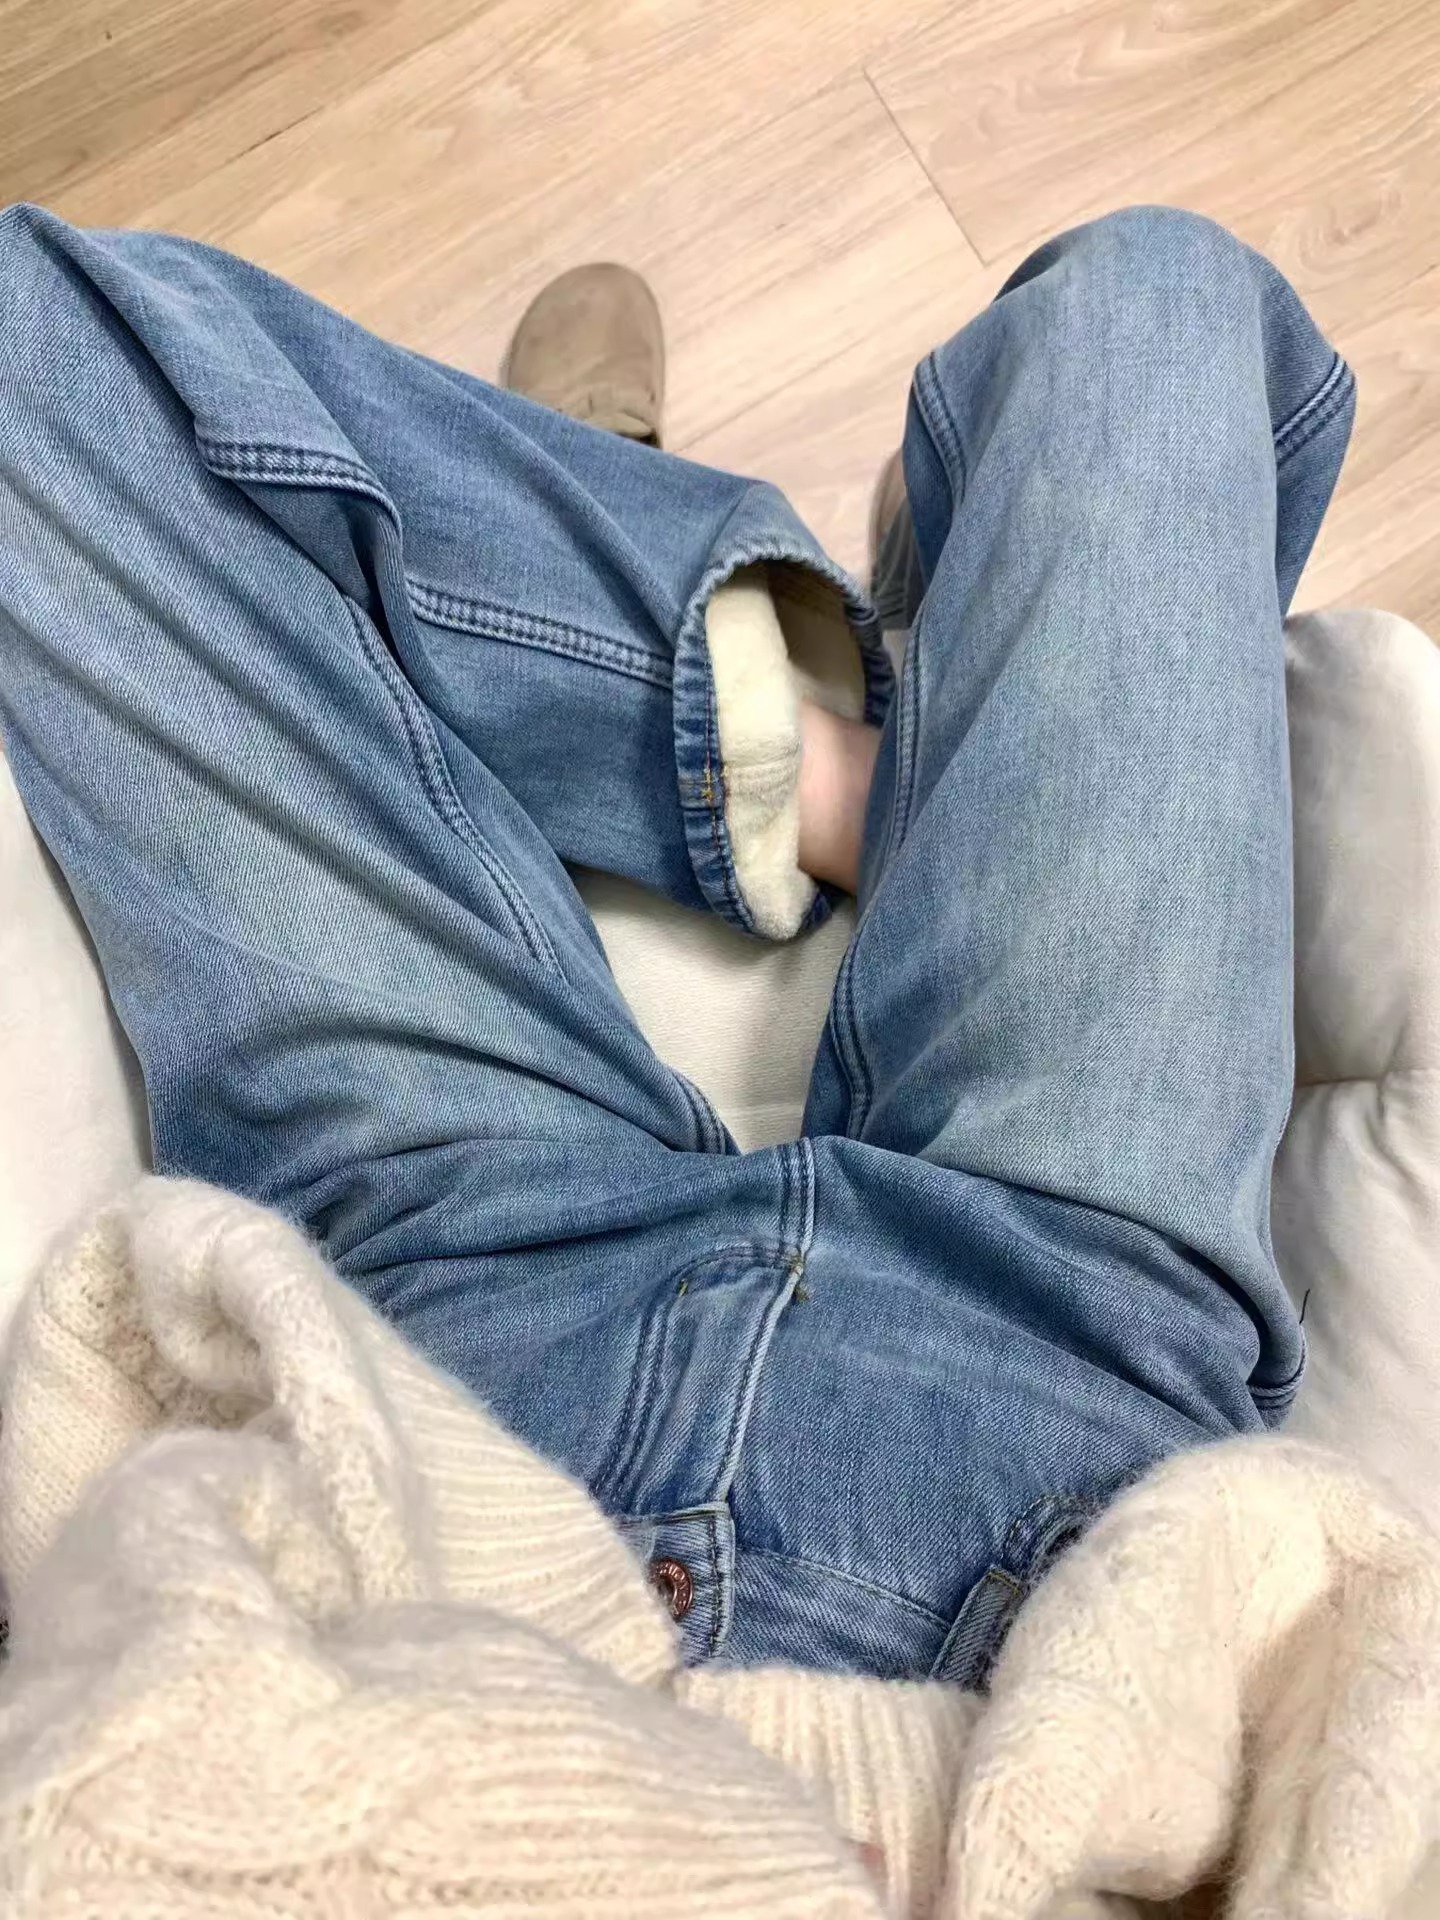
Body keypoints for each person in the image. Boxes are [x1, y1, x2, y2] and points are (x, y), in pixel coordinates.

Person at [0, 200, 1353, 1688]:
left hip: (444, 1336)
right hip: (1075, 1352)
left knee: (29, 330)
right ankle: (835, 734)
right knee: (1151, 302)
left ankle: (785, 655)